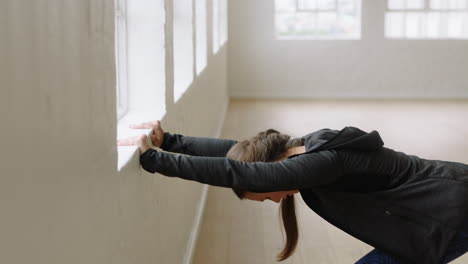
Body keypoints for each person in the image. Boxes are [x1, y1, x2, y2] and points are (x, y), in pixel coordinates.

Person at [117, 120, 468, 264]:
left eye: (267, 195)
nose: (276, 197)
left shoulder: (322, 162)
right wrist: (173, 141)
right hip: (430, 217)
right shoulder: (301, 152)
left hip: (452, 208)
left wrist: (155, 160)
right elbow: (235, 150)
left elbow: (234, 167)